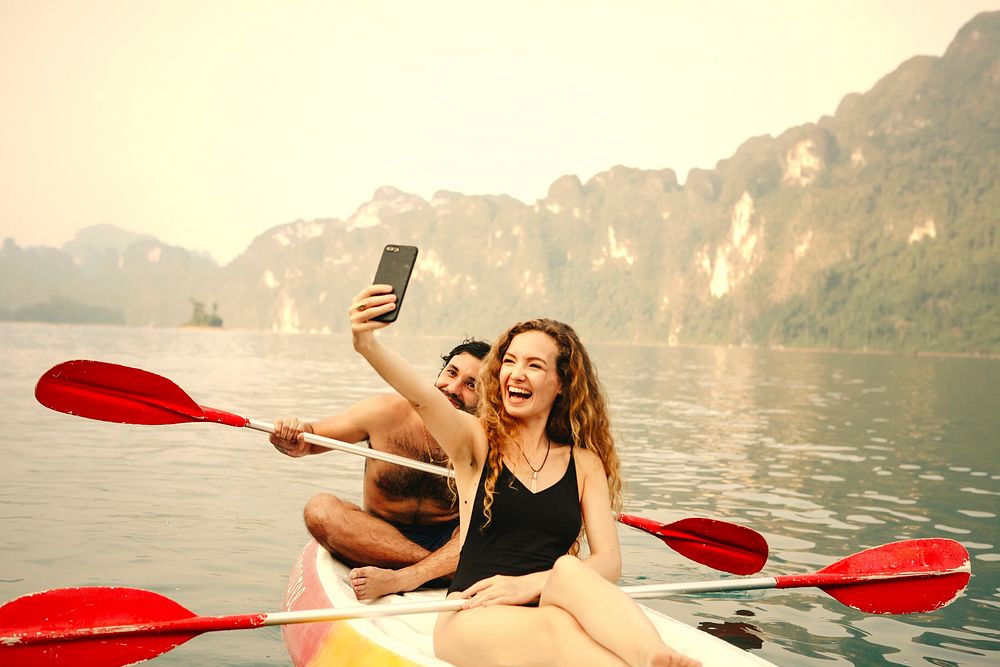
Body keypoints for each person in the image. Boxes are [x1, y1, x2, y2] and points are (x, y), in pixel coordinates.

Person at [349, 284, 700, 667]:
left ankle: (654, 657)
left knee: (568, 570)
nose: (516, 373)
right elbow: (422, 396)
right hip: (470, 612)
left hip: (541, 602)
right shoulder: (475, 443)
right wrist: (366, 342)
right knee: (557, 626)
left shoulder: (584, 464)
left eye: (534, 365)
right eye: (510, 361)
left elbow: (608, 564)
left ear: (562, 383)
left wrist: (529, 585)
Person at [269, 337, 490, 600]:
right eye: (451, 373)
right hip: (376, 538)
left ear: (487, 397)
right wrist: (292, 433)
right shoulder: (386, 411)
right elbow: (310, 439)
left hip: (450, 541)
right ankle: (441, 571)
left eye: (470, 384)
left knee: (489, 525)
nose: (453, 388)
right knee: (320, 510)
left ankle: (407, 576)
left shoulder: (486, 438)